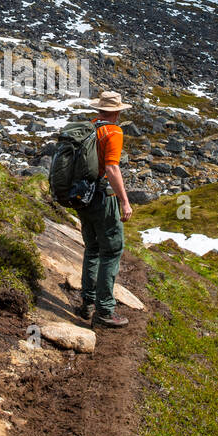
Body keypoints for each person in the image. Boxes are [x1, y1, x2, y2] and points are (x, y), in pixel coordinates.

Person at [76, 90, 133, 328]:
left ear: (99, 109)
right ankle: (105, 311)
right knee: (111, 250)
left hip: (82, 197)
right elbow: (112, 169)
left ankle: (87, 304)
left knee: (92, 249)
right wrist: (124, 201)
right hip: (102, 198)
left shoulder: (89, 127)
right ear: (117, 112)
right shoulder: (114, 131)